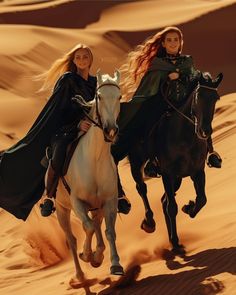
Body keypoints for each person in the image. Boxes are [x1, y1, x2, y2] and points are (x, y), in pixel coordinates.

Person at [111, 26, 222, 210]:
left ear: (180, 43)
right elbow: (150, 85)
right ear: (163, 43)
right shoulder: (158, 63)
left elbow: (195, 78)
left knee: (201, 118)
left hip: (184, 105)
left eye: (175, 40)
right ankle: (151, 161)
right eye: (169, 40)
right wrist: (166, 78)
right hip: (162, 104)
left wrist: (202, 77)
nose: (172, 43)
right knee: (150, 121)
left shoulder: (187, 62)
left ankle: (210, 152)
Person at [0, 44, 96, 220]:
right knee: (60, 150)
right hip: (65, 129)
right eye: (78, 57)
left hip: (92, 128)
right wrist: (76, 125)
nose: (82, 60)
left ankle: (119, 194)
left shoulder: (95, 83)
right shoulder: (67, 80)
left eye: (85, 56)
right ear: (73, 61)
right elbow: (58, 110)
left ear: (91, 59)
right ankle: (49, 197)